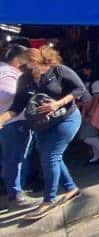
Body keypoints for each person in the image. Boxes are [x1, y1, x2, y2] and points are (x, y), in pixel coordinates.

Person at [0, 46, 86, 220]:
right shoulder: (25, 79)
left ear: (38, 61)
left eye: (28, 66)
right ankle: (71, 189)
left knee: (50, 157)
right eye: (23, 67)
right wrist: (1, 119)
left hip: (66, 119)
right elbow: (16, 108)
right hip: (43, 125)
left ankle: (49, 200)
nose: (25, 70)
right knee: (50, 156)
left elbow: (79, 89)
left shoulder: (58, 71)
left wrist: (58, 103)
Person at [0, 44, 35, 209]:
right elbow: (7, 94)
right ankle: (16, 195)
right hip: (13, 122)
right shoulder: (8, 74)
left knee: (13, 159)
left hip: (10, 123)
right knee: (15, 159)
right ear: (17, 59)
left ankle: (16, 192)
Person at [77, 63, 99, 165]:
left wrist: (90, 113)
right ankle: (96, 155)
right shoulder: (89, 82)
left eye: (86, 70)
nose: (84, 72)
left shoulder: (97, 83)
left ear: (90, 70)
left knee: (86, 135)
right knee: (92, 134)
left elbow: (96, 99)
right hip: (87, 109)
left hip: (93, 110)